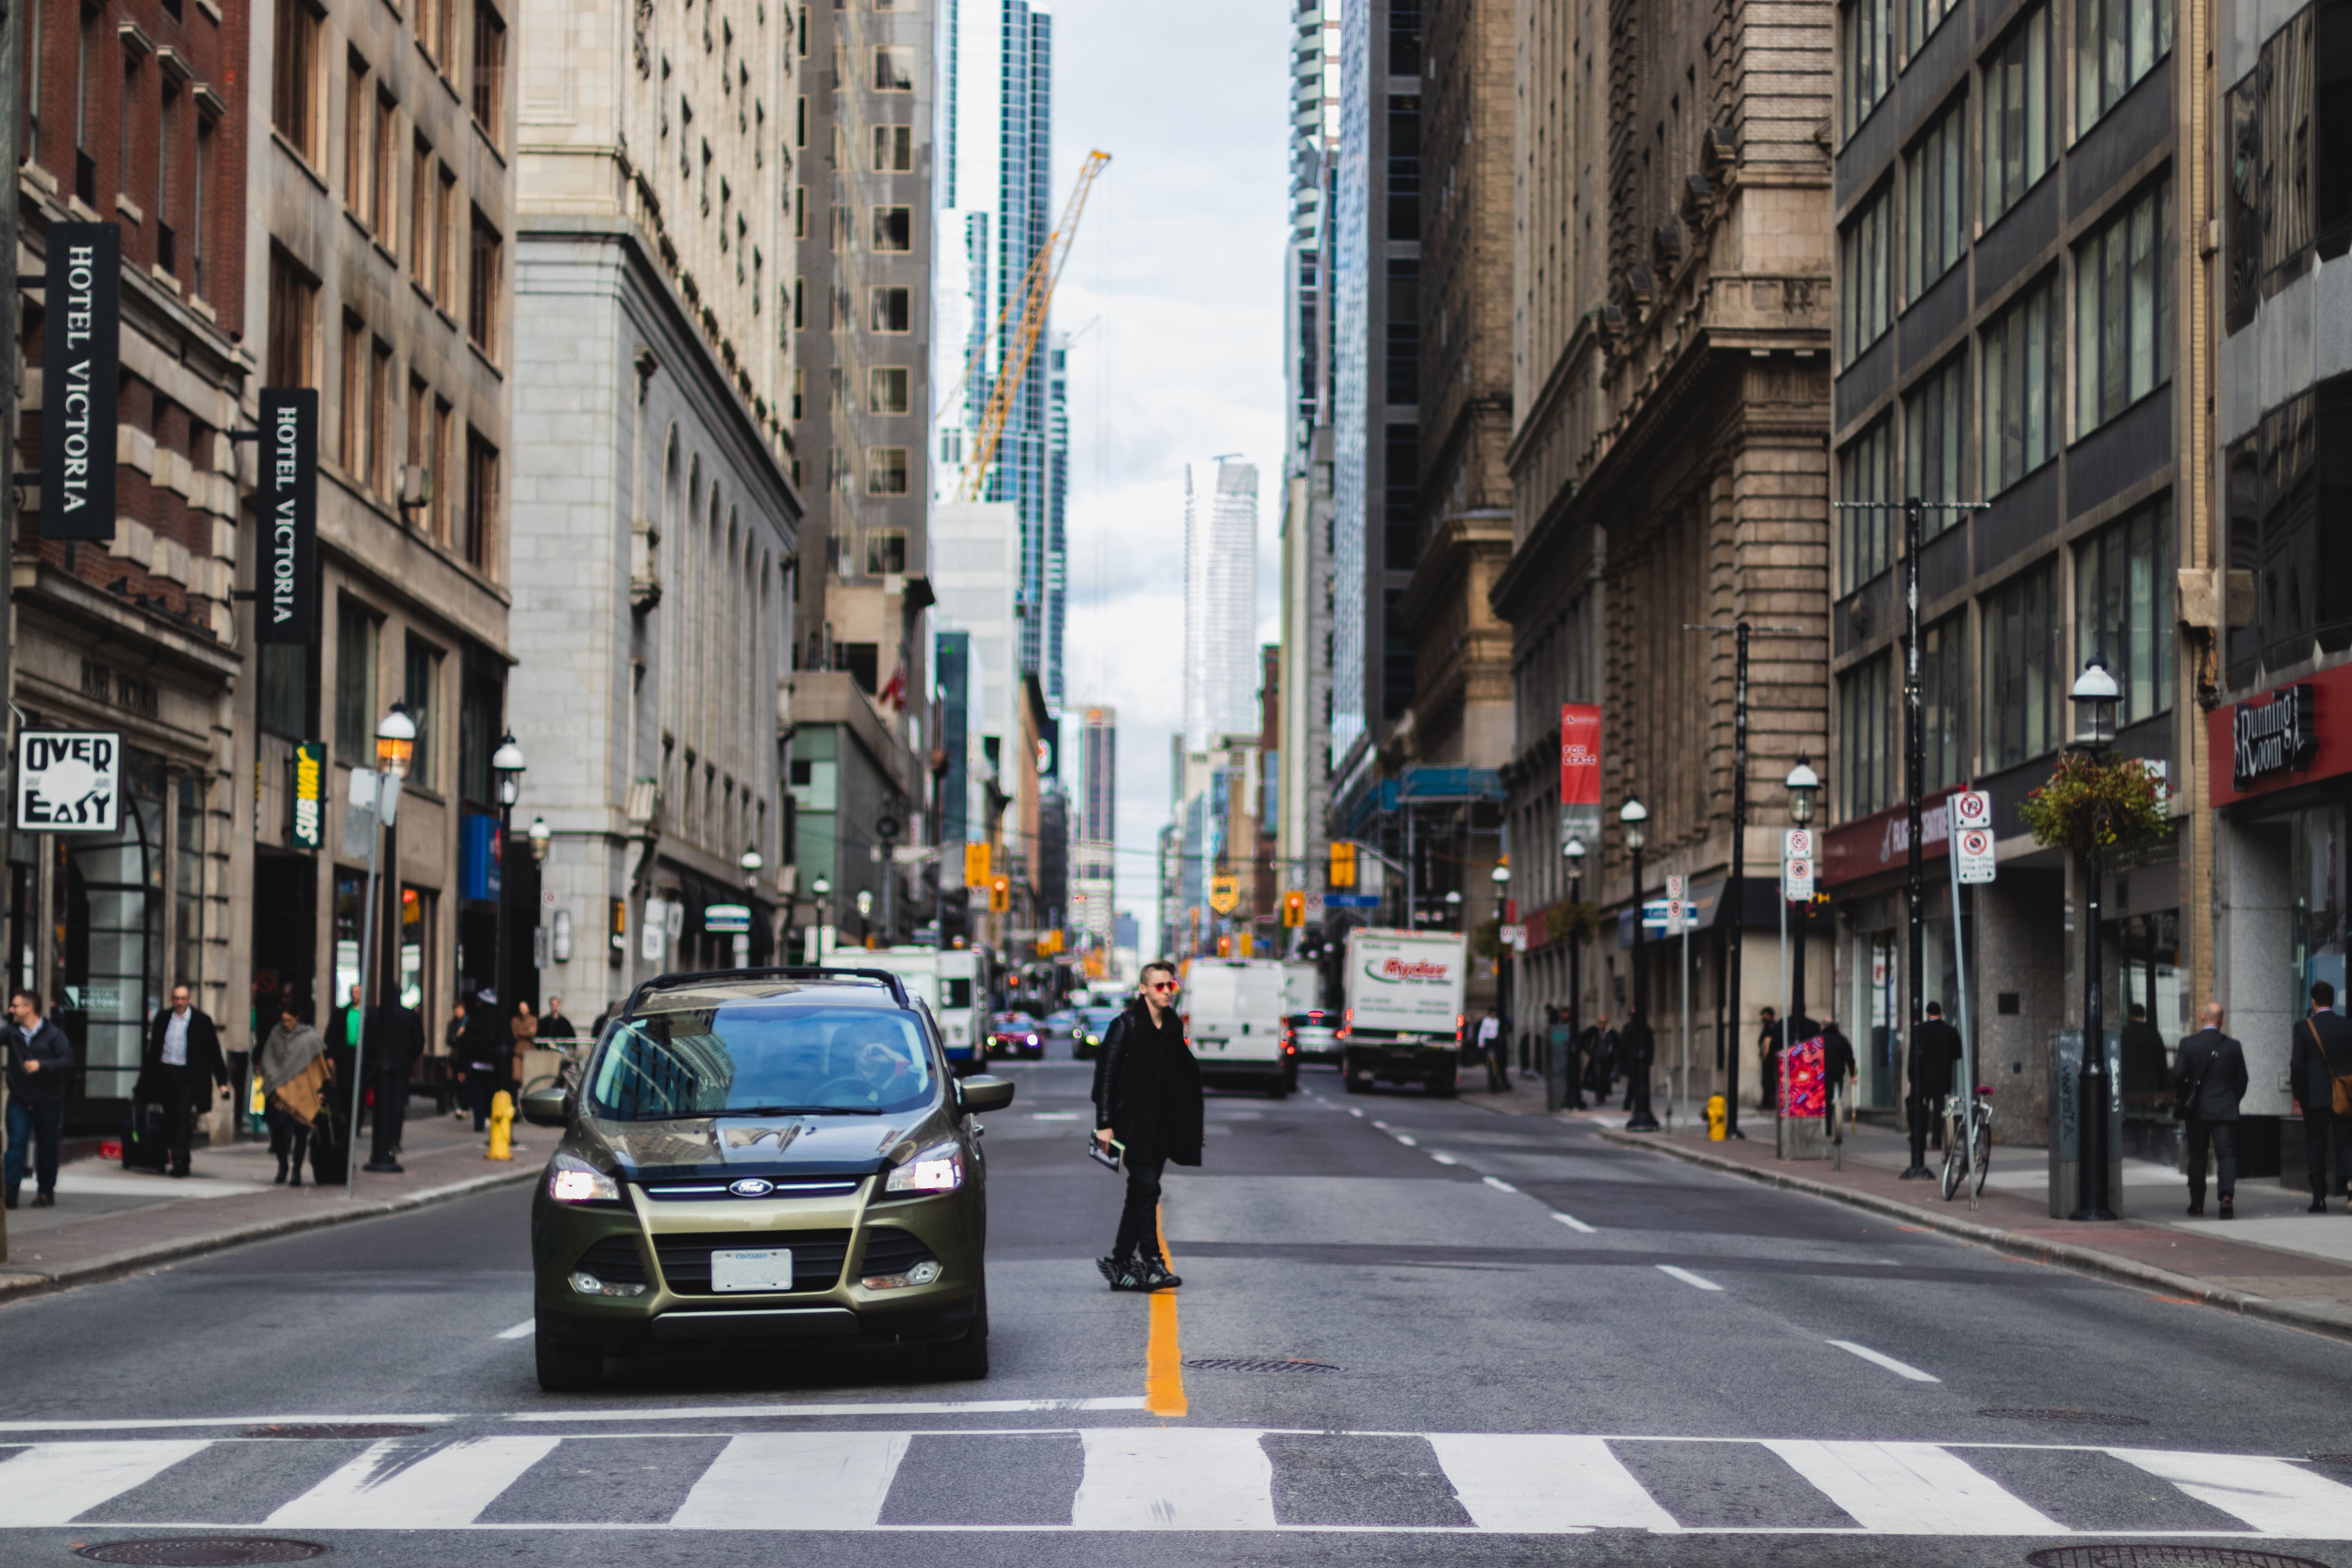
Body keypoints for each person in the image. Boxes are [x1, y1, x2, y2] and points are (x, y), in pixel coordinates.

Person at [1090, 961, 1204, 1293]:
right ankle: (1153, 1263)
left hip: (1163, 1126)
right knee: (1149, 1188)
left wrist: (1190, 1124)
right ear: (1143, 990)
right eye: (1160, 986)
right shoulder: (1124, 1025)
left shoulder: (1173, 1025)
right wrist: (1105, 1126)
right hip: (1131, 1125)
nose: (1167, 991)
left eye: (1171, 985)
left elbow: (1180, 1078)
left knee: (1139, 1192)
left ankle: (1121, 1262)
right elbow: (1106, 1076)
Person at [140, 984, 230, 1178]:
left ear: (190, 1000)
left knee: (182, 1116)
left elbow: (214, 1053)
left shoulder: (202, 1022)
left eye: (183, 999)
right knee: (170, 1118)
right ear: (172, 1000)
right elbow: (154, 1051)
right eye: (176, 999)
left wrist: (222, 1083)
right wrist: (144, 1081)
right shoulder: (163, 1019)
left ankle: (180, 1160)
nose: (180, 1003)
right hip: (166, 1073)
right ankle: (177, 1155)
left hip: (188, 1077)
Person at [2175, 1001, 2248, 1219]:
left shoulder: (2188, 1044)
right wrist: (2232, 1100)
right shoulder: (2233, 1047)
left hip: (2197, 1111)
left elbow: (2177, 1074)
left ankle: (2197, 1205)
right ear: (2222, 1021)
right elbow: (2242, 1080)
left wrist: (2188, 1091)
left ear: (2201, 1018)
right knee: (2226, 1155)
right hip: (2226, 1111)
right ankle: (2226, 1196)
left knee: (2198, 1157)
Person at [4, 989, 73, 1208]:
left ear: (29, 1008)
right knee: (16, 1144)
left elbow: (68, 1061)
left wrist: (42, 1066)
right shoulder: (12, 1033)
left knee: (47, 1147)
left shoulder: (53, 1035)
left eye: (15, 1006)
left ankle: (45, 1192)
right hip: (20, 1100)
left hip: (48, 1101)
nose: (11, 1010)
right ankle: (9, 1192)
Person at [2290, 981, 2352, 1213]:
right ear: (2333, 1001)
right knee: (2346, 1143)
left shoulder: (2304, 1028)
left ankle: (2319, 1199)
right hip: (2345, 1095)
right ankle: (2351, 1190)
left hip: (2314, 1098)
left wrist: (2301, 1093)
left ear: (2313, 1002)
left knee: (2316, 1146)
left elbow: (2297, 1065)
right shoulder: (2348, 1026)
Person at [258, 997, 326, 1185]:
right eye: (283, 1021)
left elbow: (317, 1067)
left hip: (302, 1092)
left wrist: (319, 1091)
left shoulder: (309, 1037)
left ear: (298, 1018)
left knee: (301, 1131)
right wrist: (275, 1082)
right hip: (280, 1093)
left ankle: (296, 1170)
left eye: (290, 1020)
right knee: (278, 1130)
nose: (286, 1025)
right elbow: (268, 1060)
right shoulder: (276, 1034)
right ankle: (283, 1166)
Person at [362, 999, 427, 1173]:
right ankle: (394, 1140)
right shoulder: (409, 1015)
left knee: (381, 1103)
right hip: (400, 1065)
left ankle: (382, 1140)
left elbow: (367, 1040)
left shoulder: (375, 1015)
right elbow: (419, 1041)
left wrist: (371, 1060)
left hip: (382, 1064)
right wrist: (409, 1058)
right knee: (397, 1103)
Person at [1900, 1001, 1963, 1180]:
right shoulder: (1950, 1032)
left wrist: (1913, 1077)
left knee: (1921, 1106)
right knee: (1939, 1109)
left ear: (1928, 1013)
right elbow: (1958, 1054)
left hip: (1924, 1078)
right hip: (1943, 1076)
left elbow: (1914, 1056)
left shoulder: (1920, 1031)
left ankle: (1919, 1137)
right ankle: (1936, 1140)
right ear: (1941, 1012)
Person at [1621, 1010, 1659, 1130]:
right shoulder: (1645, 1028)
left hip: (1634, 1061)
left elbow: (1624, 1045)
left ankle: (1632, 1104)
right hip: (1637, 1061)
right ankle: (1633, 1104)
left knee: (1634, 1082)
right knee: (1636, 1083)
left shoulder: (1635, 1028)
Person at [1819, 1013, 1857, 1123]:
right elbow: (1850, 1059)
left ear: (1824, 1027)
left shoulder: (1819, 1040)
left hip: (1822, 1075)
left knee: (1824, 1099)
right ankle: (1834, 1119)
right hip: (1837, 1074)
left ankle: (1827, 1125)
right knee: (1836, 1097)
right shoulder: (1842, 1040)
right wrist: (1853, 1075)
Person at [1548, 1007, 1581, 1109]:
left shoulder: (1573, 1027)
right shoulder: (1557, 1028)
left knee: (1572, 1079)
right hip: (1560, 1058)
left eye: (1567, 1014)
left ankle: (1573, 1098)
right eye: (1564, 1014)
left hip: (1571, 1058)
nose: (1566, 1016)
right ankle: (1567, 1099)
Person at [1476, 1007, 1509, 1091]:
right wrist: (1481, 1043)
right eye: (1493, 1013)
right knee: (1492, 1062)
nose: (1494, 1014)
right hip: (1489, 1043)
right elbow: (1483, 1032)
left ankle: (1496, 1080)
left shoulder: (1498, 1021)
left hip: (1496, 1043)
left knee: (1496, 1063)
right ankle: (1493, 1081)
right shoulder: (1486, 1021)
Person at [1757, 1007, 1782, 1112]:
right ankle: (1766, 1102)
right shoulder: (1767, 1026)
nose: (1763, 1017)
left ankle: (1769, 1103)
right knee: (1766, 1081)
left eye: (1765, 1014)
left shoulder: (1772, 1026)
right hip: (1767, 1058)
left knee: (1769, 1082)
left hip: (1770, 1059)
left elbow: (1772, 1042)